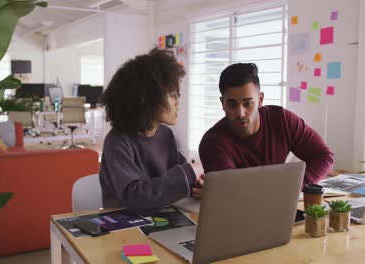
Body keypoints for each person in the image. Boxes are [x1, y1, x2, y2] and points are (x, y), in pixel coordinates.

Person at [99, 48, 204, 214]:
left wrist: (196, 185)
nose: (178, 102)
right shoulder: (117, 142)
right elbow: (135, 197)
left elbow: (175, 182)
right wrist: (189, 173)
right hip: (124, 227)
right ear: (146, 97)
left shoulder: (166, 135)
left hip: (162, 218)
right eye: (172, 94)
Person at [198, 63, 334, 186]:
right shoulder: (212, 143)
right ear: (222, 103)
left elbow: (324, 156)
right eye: (232, 104)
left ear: (260, 100)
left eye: (247, 103)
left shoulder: (282, 120)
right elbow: (233, 191)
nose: (240, 113)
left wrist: (296, 186)